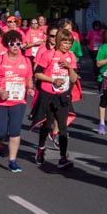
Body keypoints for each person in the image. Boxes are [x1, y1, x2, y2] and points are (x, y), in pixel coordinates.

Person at [0, 29, 32, 172]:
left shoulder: (25, 60)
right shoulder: (0, 59)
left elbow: (28, 78)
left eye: (18, 43)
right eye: (12, 44)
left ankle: (12, 161)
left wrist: (30, 88)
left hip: (17, 100)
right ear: (7, 45)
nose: (16, 46)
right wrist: (0, 91)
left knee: (15, 131)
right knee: (0, 132)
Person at [33, 28, 79, 168]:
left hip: (63, 95)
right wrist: (52, 80)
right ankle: (41, 149)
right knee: (47, 125)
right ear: (58, 42)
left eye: (69, 43)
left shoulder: (71, 56)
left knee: (63, 127)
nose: (67, 46)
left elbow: (74, 78)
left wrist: (70, 68)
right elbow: (37, 74)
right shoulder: (48, 55)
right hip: (48, 94)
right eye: (64, 42)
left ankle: (63, 157)